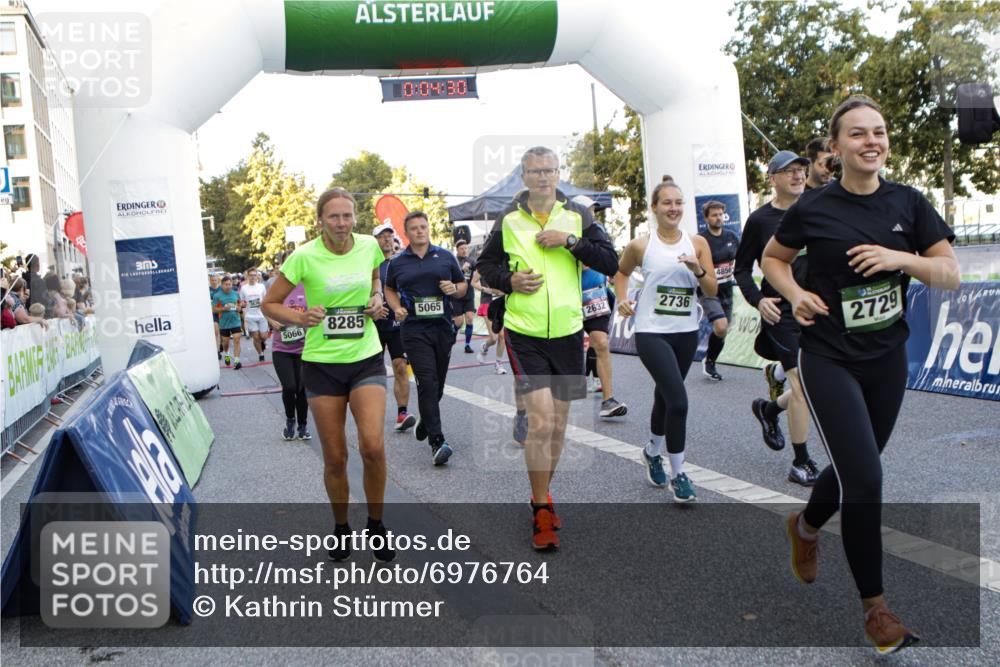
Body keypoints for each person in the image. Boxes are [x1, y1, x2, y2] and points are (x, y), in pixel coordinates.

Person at [762, 95, 959, 654]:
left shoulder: (908, 203)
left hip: (887, 357)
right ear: (836, 146)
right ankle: (876, 610)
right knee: (867, 479)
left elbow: (948, 273)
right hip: (826, 355)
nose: (871, 141)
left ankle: (804, 527)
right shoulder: (814, 207)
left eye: (879, 131)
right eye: (858, 134)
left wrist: (902, 260)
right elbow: (774, 259)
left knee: (859, 465)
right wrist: (796, 293)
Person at [477, 146, 618, 550]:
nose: (543, 177)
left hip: (570, 334)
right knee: (540, 423)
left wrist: (571, 242)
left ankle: (543, 494)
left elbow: (610, 261)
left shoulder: (578, 214)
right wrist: (509, 281)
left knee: (557, 426)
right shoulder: (507, 219)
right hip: (525, 333)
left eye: (550, 171)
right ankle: (540, 508)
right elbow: (485, 268)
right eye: (536, 171)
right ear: (524, 176)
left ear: (559, 174)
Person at [262, 187, 394, 563]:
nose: (341, 223)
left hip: (365, 357)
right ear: (320, 219)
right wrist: (300, 318)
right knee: (335, 457)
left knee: (372, 446)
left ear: (355, 217)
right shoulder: (304, 256)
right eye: (333, 216)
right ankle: (340, 526)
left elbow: (374, 281)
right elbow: (269, 303)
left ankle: (376, 523)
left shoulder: (369, 246)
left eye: (347, 216)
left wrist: (375, 298)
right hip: (320, 365)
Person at [615, 176, 717, 503]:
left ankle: (652, 451)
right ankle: (680, 474)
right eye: (666, 203)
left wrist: (698, 269)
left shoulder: (698, 243)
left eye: (678, 203)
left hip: (685, 332)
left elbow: (712, 290)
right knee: (679, 400)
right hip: (650, 330)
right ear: (655, 208)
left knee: (665, 395)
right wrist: (621, 298)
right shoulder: (641, 245)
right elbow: (622, 273)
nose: (673, 208)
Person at [734, 150, 820, 486]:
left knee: (816, 385)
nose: (798, 176)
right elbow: (741, 270)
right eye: (789, 171)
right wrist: (758, 301)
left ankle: (769, 410)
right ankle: (801, 463)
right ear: (772, 178)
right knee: (800, 383)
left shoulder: (817, 207)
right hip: (782, 311)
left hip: (819, 308)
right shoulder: (760, 220)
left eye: (801, 170)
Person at [384, 211, 466, 466]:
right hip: (414, 330)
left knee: (437, 385)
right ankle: (437, 441)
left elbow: (462, 286)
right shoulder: (398, 263)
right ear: (407, 233)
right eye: (415, 228)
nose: (420, 231)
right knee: (427, 382)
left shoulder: (444, 256)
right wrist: (396, 307)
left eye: (423, 227)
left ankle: (426, 420)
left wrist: (454, 290)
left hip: (442, 329)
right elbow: (389, 289)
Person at [373, 222, 416, 432]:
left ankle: (402, 412)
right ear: (376, 240)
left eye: (389, 235)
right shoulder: (370, 265)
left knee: (400, 366)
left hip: (398, 324)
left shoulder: (402, 263)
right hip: (374, 325)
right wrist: (372, 307)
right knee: (375, 371)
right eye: (382, 236)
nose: (387, 239)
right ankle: (373, 411)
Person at [266, 252, 310, 441]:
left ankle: (302, 425)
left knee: (302, 388)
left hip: (304, 347)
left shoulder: (308, 285)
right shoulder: (276, 286)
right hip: (282, 348)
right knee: (290, 386)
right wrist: (271, 321)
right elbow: (265, 307)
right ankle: (290, 420)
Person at [697, 200, 740, 381]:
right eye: (714, 215)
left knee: (723, 330)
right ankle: (709, 363)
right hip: (708, 290)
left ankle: (710, 358)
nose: (718, 218)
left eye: (721, 214)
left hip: (727, 289)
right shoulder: (701, 240)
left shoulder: (731, 237)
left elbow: (743, 259)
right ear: (706, 218)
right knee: (720, 325)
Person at [471, 268, 508, 375]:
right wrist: (485, 289)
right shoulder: (483, 264)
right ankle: (484, 347)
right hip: (487, 302)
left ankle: (498, 364)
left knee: (502, 336)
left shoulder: (504, 263)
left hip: (501, 303)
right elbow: (473, 282)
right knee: (494, 337)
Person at [451, 239, 477, 353]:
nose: (464, 250)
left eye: (466, 248)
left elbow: (480, 272)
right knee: (459, 322)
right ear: (457, 250)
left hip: (469, 295)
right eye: (462, 248)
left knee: (470, 319)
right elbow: (450, 278)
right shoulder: (454, 261)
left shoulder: (472, 260)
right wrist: (462, 270)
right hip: (457, 296)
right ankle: (450, 338)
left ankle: (467, 345)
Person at [213, 275, 243, 369]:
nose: (228, 286)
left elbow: (239, 305)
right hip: (224, 323)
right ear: (222, 285)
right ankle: (226, 354)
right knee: (225, 343)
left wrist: (239, 308)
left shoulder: (235, 294)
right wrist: (223, 308)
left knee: (237, 339)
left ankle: (237, 361)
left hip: (235, 321)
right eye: (226, 284)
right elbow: (214, 309)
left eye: (230, 284)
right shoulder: (217, 296)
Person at [239, 268, 268, 362]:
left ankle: (262, 342)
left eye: (254, 275)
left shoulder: (261, 287)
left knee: (263, 336)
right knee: (255, 336)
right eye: (250, 275)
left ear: (257, 276)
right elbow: (241, 302)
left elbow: (265, 299)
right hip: (250, 316)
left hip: (262, 315)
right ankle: (261, 354)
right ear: (247, 276)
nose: (252, 277)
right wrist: (243, 305)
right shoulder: (244, 288)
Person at [209, 273, 223, 359]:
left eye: (215, 280)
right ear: (210, 281)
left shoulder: (221, 289)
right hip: (214, 313)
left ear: (218, 280)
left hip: (222, 312)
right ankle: (217, 351)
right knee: (216, 331)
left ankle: (221, 344)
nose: (214, 282)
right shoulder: (208, 289)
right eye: (212, 280)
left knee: (223, 334)